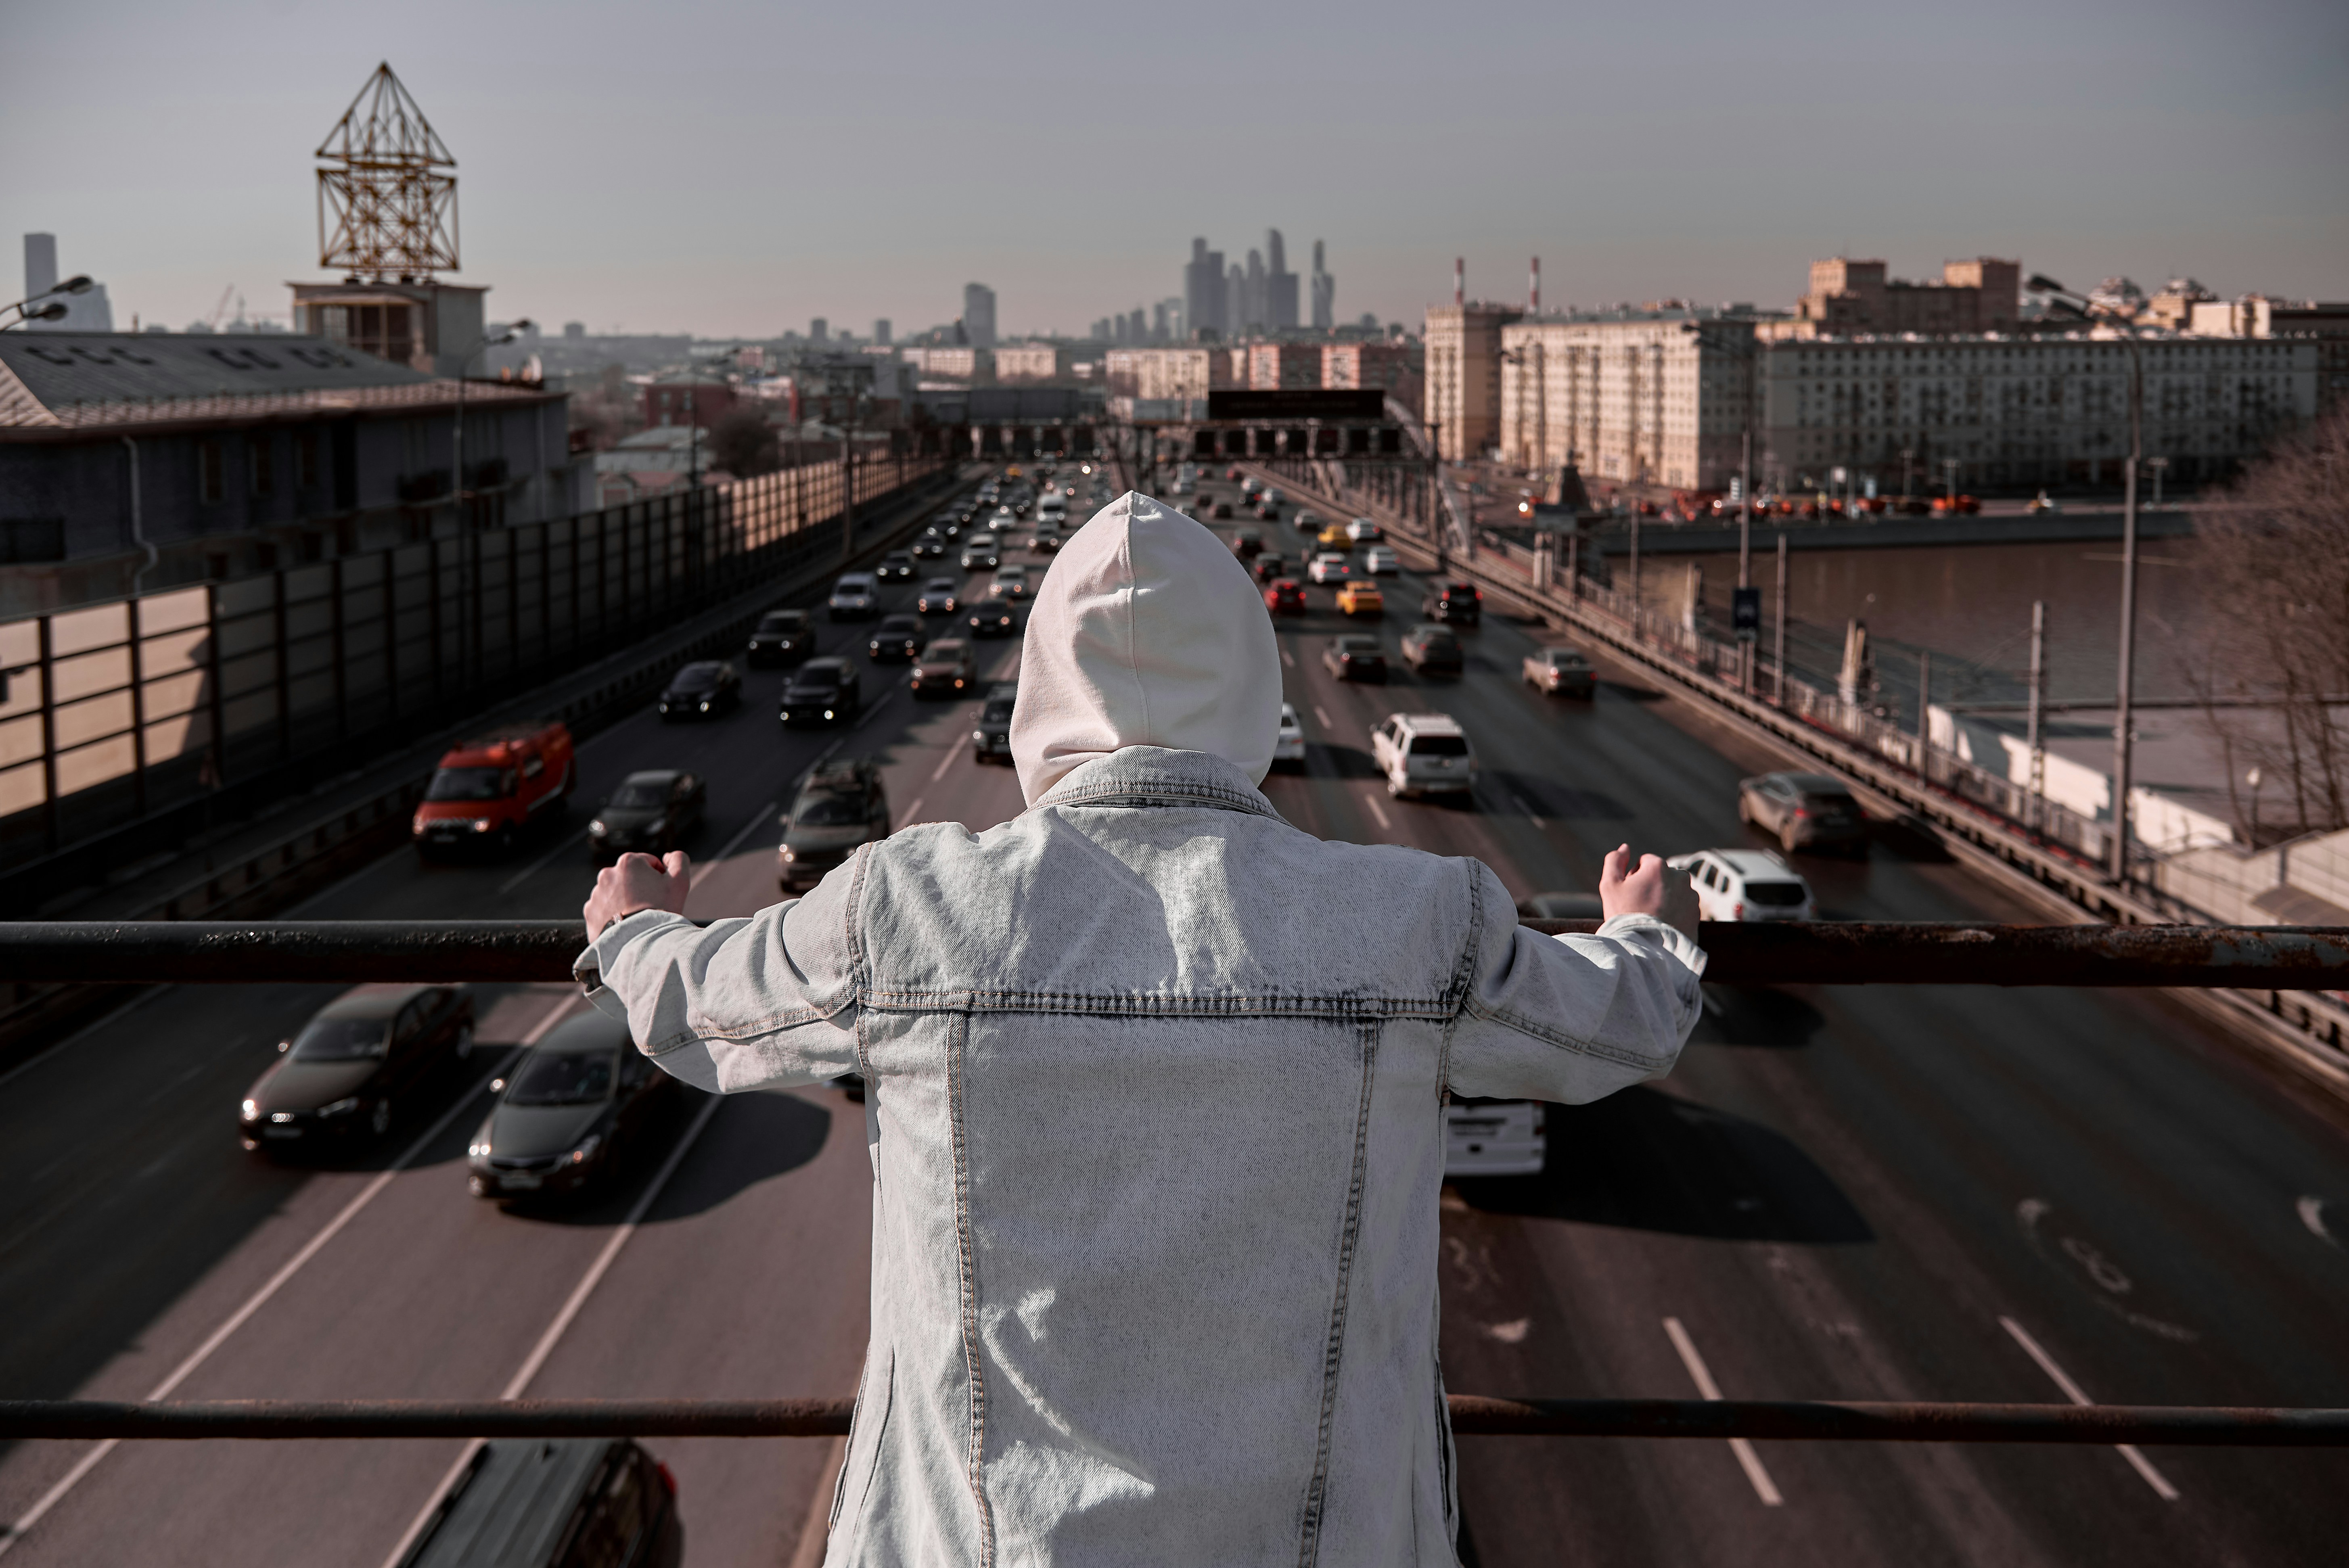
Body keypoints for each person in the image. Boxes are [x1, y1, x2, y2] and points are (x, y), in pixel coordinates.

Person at [578, 491, 1704, 1565]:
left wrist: (636, 929)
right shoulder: (1410, 919)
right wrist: (1642, 932)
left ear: (1045, 695)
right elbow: (1618, 1030)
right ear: (1248, 688)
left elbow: (698, 1010)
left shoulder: (907, 905)